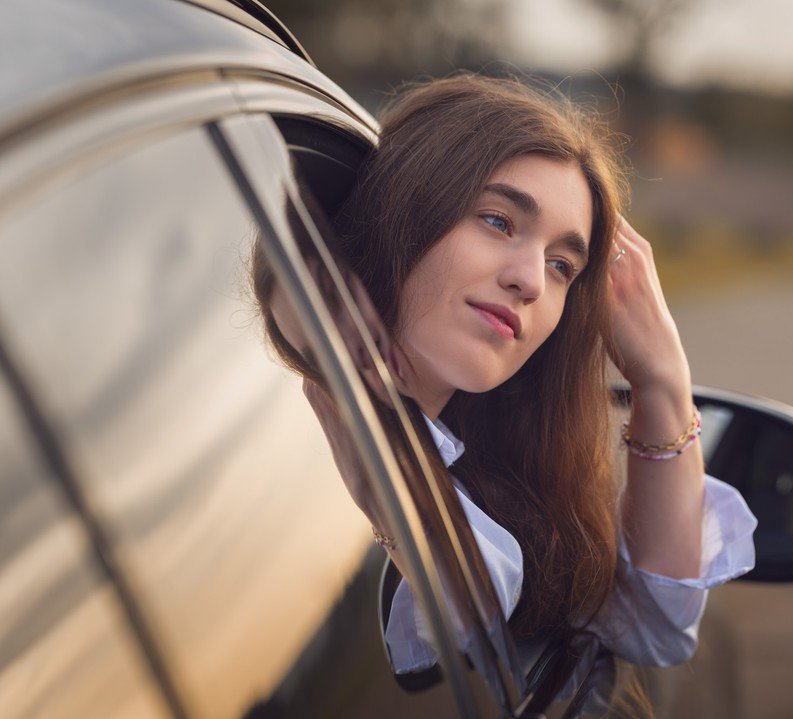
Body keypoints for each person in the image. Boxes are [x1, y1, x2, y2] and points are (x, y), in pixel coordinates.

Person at [254, 72, 757, 705]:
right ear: (405, 208)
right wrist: (297, 300)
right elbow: (478, 604)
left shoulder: (499, 473)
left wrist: (663, 381)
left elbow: (658, 631)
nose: (531, 282)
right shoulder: (291, 414)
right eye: (497, 220)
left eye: (562, 266)